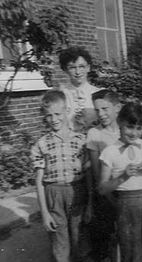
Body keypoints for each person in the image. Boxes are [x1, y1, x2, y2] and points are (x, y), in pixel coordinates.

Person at [98, 102, 142, 262]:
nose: (134, 133)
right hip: (126, 205)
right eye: (130, 127)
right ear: (120, 122)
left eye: (139, 128)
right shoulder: (110, 151)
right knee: (131, 251)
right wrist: (122, 177)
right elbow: (101, 188)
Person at [31, 90, 91, 262]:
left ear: (67, 111)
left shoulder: (81, 140)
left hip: (77, 191)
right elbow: (39, 182)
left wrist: (91, 203)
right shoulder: (41, 144)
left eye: (58, 114)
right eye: (49, 115)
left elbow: (87, 175)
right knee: (60, 242)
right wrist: (44, 213)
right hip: (53, 194)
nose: (54, 119)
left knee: (80, 238)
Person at [86, 89, 121, 262]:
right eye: (97, 110)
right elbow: (96, 172)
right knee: (107, 240)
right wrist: (110, 198)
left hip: (127, 190)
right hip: (106, 193)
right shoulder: (94, 133)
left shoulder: (127, 129)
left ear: (117, 107)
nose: (101, 114)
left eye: (105, 109)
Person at [58, 46, 100, 132]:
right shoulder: (60, 95)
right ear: (66, 70)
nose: (77, 72)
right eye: (72, 68)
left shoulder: (99, 93)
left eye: (81, 66)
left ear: (88, 68)